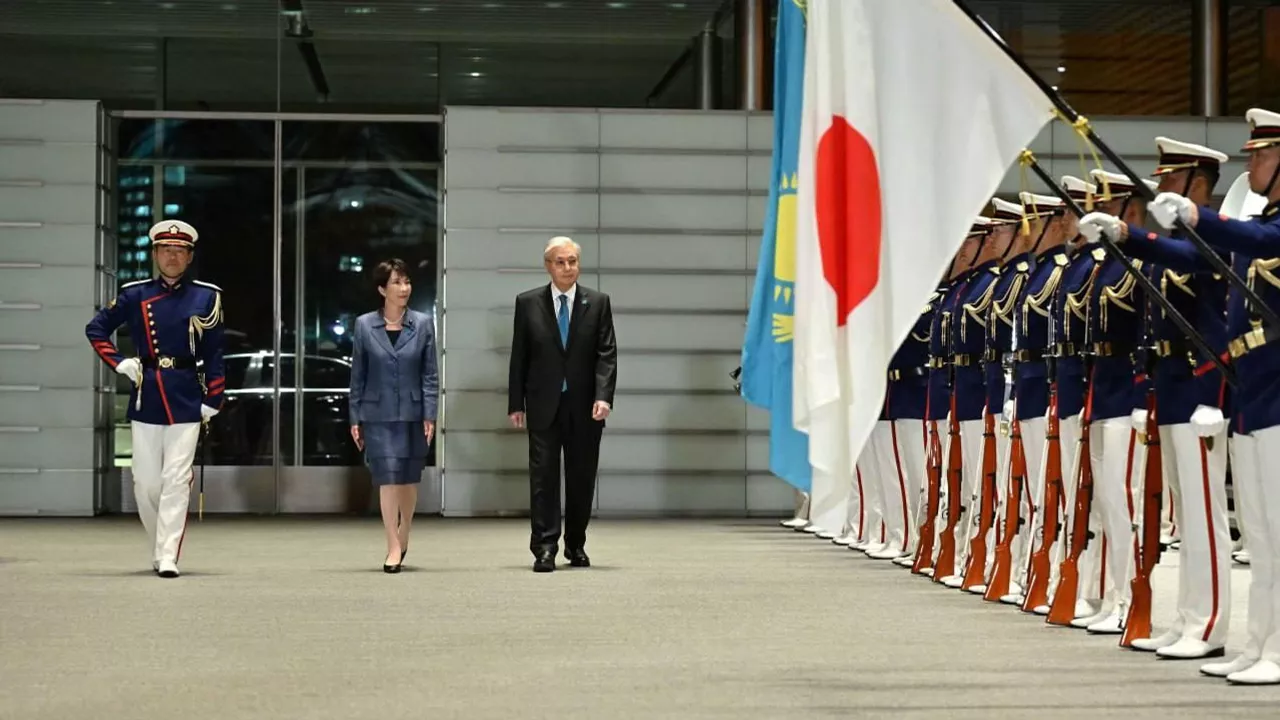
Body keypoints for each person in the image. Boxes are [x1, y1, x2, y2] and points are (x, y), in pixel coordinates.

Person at [1080, 107, 1280, 684]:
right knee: (1261, 531)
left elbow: (1253, 239)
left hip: (1263, 388)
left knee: (1271, 526)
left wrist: (1201, 217)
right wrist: (1127, 235)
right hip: (1251, 392)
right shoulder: (1252, 223)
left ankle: (1264, 640)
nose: (1254, 162)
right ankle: (1259, 639)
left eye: (1262, 153)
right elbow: (1192, 256)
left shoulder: (1267, 227)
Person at [85, 220, 225, 579]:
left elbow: (214, 351)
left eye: (180, 250)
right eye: (166, 250)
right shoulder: (134, 294)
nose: (173, 256)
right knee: (145, 482)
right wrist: (119, 363)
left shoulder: (206, 296)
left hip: (186, 394)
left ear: (190, 256)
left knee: (176, 479)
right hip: (147, 391)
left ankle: (167, 555)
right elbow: (96, 328)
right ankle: (159, 544)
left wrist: (214, 396)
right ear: (155, 254)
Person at [508, 236, 617, 573]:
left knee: (581, 477)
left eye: (573, 261)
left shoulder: (597, 303)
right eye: (561, 262)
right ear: (548, 266)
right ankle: (544, 547)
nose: (568, 267)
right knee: (543, 478)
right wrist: (516, 403)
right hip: (543, 403)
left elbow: (607, 354)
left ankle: (576, 544)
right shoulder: (528, 303)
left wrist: (603, 396)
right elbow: (519, 357)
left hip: (586, 406)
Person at [349, 259, 439, 574]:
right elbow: (357, 375)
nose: (404, 288)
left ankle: (404, 532)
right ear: (381, 289)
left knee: (408, 478)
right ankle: (391, 545)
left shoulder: (424, 323)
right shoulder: (363, 325)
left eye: (407, 281)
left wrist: (431, 414)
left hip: (414, 412)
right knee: (387, 477)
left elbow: (430, 375)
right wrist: (354, 417)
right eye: (397, 283)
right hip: (377, 413)